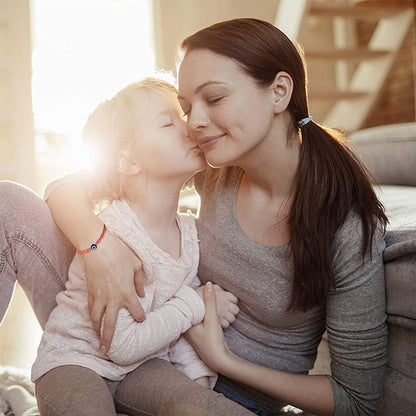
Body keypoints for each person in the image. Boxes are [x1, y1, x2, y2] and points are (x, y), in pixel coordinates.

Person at [0, 18, 388, 416]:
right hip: (106, 336)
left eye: (214, 99)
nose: (194, 123)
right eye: (185, 109)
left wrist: (224, 362)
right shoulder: (218, 164)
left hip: (194, 381)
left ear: (279, 91)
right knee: (7, 205)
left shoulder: (348, 228)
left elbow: (356, 401)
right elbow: (69, 186)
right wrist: (97, 246)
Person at [30, 77, 242, 416]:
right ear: (128, 161)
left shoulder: (189, 232)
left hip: (144, 367)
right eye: (167, 122)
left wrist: (196, 381)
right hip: (76, 362)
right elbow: (125, 344)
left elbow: (179, 330)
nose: (188, 127)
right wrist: (195, 303)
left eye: (183, 115)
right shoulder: (114, 230)